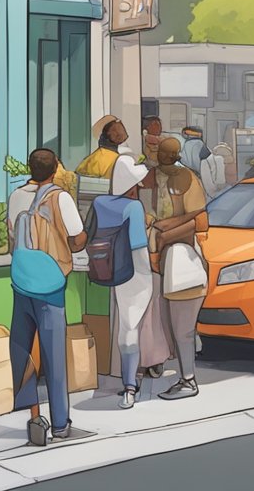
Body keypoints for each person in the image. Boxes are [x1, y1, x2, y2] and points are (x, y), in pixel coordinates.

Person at [7, 149, 86, 445]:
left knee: (22, 352)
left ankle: (33, 417)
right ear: (56, 169)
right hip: (50, 285)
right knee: (54, 357)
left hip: (21, 282)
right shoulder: (60, 197)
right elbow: (77, 237)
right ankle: (61, 424)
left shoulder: (15, 197)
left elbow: (11, 234)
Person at [145, 138, 210, 401]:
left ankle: (188, 380)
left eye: (169, 153)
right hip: (156, 263)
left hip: (180, 263)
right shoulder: (150, 177)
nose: (164, 157)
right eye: (162, 152)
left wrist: (164, 232)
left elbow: (200, 221)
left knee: (182, 328)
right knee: (163, 323)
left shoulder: (188, 179)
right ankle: (163, 364)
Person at [92, 155, 151, 409]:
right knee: (131, 328)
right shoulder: (133, 208)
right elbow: (139, 247)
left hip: (106, 270)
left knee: (123, 326)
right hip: (133, 272)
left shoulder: (99, 203)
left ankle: (124, 378)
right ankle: (129, 385)